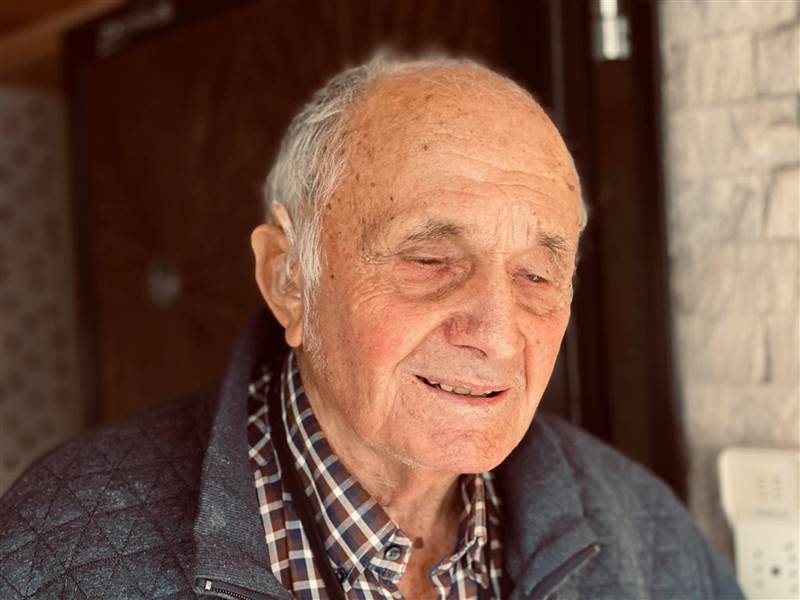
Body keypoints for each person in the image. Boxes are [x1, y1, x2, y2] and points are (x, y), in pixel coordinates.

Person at [0, 53, 742, 600]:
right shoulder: (63, 547)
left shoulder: (647, 534)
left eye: (537, 274)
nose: (496, 330)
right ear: (289, 279)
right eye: (430, 258)